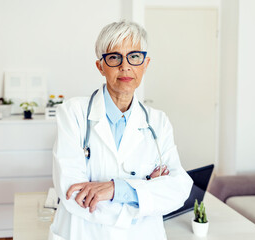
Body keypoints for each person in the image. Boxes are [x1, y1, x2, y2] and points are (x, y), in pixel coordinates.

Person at [49, 20, 193, 240]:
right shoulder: (73, 113)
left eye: (134, 56)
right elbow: (73, 193)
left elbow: (179, 189)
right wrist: (144, 191)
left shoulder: (158, 122)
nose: (125, 66)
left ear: (145, 64)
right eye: (114, 57)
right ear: (100, 66)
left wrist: (116, 190)